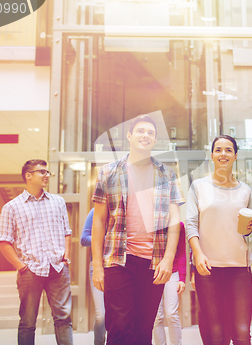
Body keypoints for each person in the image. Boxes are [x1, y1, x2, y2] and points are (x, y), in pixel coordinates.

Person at [91, 114, 185, 345]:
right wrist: (97, 266)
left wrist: (168, 260)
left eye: (151, 133)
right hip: (117, 260)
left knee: (144, 331)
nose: (146, 135)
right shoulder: (108, 172)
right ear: (130, 136)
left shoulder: (167, 175)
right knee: (119, 328)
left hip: (153, 264)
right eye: (141, 131)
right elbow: (99, 222)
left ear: (154, 141)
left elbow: (174, 221)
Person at [186, 135, 252, 345]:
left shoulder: (245, 190)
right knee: (216, 334)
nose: (223, 154)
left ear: (235, 156)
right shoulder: (198, 186)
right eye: (218, 150)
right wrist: (198, 255)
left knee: (242, 333)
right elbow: (191, 224)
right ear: (212, 155)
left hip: (239, 269)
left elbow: (244, 231)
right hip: (208, 269)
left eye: (228, 150)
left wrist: (249, 229)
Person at [0, 159, 73, 345]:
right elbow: (4, 241)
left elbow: (66, 232)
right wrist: (21, 267)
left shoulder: (58, 202)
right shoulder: (12, 207)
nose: (47, 175)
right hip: (30, 271)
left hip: (58, 268)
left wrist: (65, 258)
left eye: (47, 172)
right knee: (28, 322)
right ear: (28, 176)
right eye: (42, 172)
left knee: (63, 319)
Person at [152, 223, 187, 345]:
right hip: (153, 272)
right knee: (157, 317)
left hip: (173, 271)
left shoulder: (179, 225)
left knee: (171, 313)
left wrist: (182, 278)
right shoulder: (151, 222)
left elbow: (182, 252)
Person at [80, 208, 106, 345]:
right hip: (97, 267)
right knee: (101, 314)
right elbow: (83, 239)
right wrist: (108, 238)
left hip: (119, 268)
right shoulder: (95, 211)